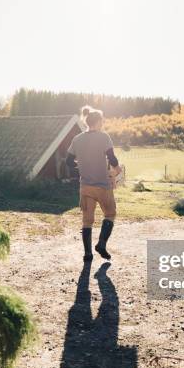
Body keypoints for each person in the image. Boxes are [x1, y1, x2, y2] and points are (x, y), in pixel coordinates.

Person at [66, 106, 121, 262]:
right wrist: (117, 170)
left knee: (87, 221)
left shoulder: (77, 139)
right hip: (103, 185)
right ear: (97, 121)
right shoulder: (104, 137)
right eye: (102, 121)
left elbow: (68, 162)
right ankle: (101, 245)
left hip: (86, 186)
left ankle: (87, 254)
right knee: (110, 215)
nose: (102, 123)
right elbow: (112, 158)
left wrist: (82, 168)